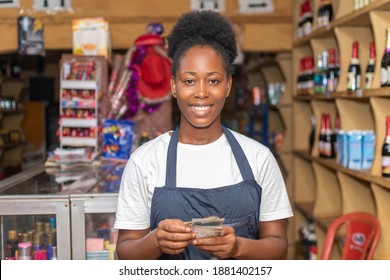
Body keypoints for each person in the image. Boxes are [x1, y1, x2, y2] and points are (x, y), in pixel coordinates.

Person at [114, 10, 293, 260]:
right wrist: (155, 241)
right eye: (189, 81)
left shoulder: (259, 158)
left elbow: (278, 246)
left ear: (228, 85)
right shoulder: (144, 161)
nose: (201, 92)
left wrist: (238, 247)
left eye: (213, 81)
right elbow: (125, 251)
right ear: (174, 86)